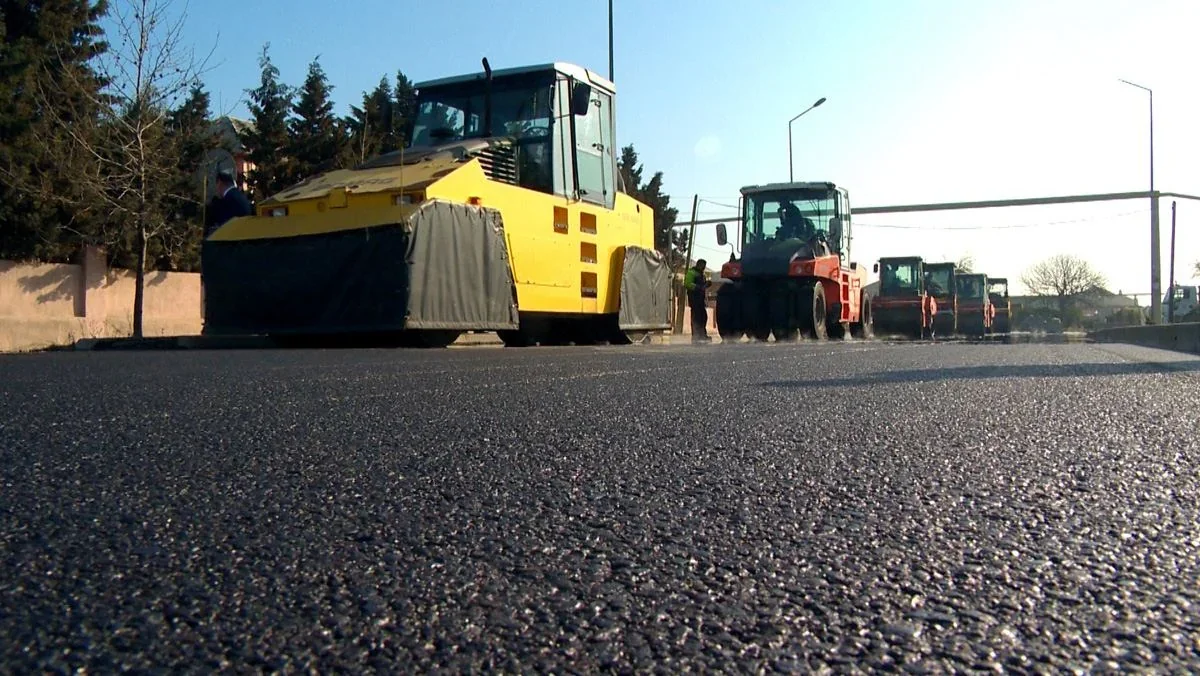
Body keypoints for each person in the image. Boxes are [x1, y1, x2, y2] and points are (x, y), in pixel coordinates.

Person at [204, 169, 252, 236]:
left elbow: (221, 223)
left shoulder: (227, 200)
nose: (217, 189)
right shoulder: (239, 195)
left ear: (220, 183)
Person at [684, 259, 711, 343]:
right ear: (699, 265)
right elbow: (687, 283)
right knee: (696, 317)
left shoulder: (702, 274)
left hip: (700, 299)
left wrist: (707, 284)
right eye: (703, 266)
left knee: (703, 317)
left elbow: (703, 286)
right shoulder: (691, 272)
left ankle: (702, 335)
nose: (704, 268)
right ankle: (696, 336)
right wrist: (699, 287)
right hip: (694, 299)